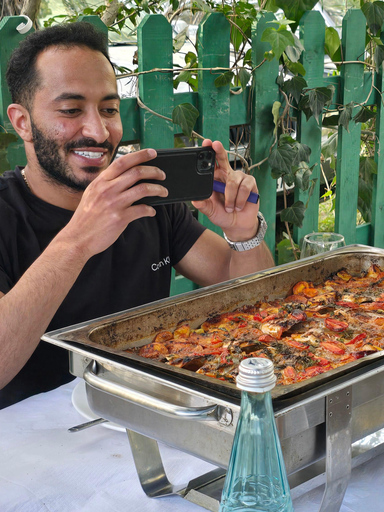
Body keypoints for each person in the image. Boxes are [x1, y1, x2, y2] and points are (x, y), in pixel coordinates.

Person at [0, 22, 274, 408]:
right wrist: (78, 240)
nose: (98, 131)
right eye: (70, 110)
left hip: (154, 415)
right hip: (32, 446)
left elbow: (256, 303)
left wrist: (243, 232)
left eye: (109, 109)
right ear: (22, 122)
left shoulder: (149, 197)